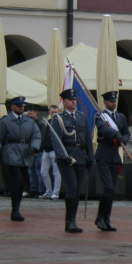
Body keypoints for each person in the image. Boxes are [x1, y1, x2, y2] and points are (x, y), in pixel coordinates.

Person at [50, 89, 93, 233]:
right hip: (67, 157)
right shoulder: (59, 118)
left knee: (77, 189)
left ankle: (73, 218)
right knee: (72, 187)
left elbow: (87, 138)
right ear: (64, 102)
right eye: (70, 100)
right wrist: (63, 156)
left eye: (74, 99)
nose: (73, 102)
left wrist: (90, 156)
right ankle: (70, 221)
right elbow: (56, 140)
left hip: (80, 156)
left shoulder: (82, 117)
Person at [0, 96, 41, 222]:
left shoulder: (29, 121)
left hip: (26, 153)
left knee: (21, 183)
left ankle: (17, 207)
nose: (22, 108)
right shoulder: (5, 121)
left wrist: (34, 147)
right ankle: (15, 209)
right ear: (12, 107)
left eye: (23, 106)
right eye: (19, 106)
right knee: (16, 180)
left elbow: (36, 135)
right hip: (11, 152)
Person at [92, 91, 130, 231]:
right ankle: (100, 217)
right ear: (105, 102)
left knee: (112, 190)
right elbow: (103, 129)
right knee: (107, 188)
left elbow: (126, 132)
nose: (113, 103)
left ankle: (106, 219)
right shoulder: (100, 116)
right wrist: (116, 134)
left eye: (115, 101)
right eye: (110, 101)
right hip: (103, 155)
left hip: (115, 155)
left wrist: (123, 139)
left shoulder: (120, 117)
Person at [39, 105, 61, 199]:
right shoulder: (48, 122)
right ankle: (48, 191)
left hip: (55, 150)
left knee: (56, 172)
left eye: (56, 112)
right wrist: (41, 147)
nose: (54, 114)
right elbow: (45, 136)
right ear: (49, 112)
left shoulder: (60, 123)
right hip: (46, 150)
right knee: (43, 171)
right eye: (52, 112)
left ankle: (56, 192)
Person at [25, 104, 44, 197]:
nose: (29, 115)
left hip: (38, 152)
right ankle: (33, 190)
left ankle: (40, 190)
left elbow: (42, 138)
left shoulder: (40, 124)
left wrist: (37, 149)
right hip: (29, 152)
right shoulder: (27, 124)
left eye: (31, 114)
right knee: (31, 172)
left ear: (36, 113)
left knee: (38, 171)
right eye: (29, 113)